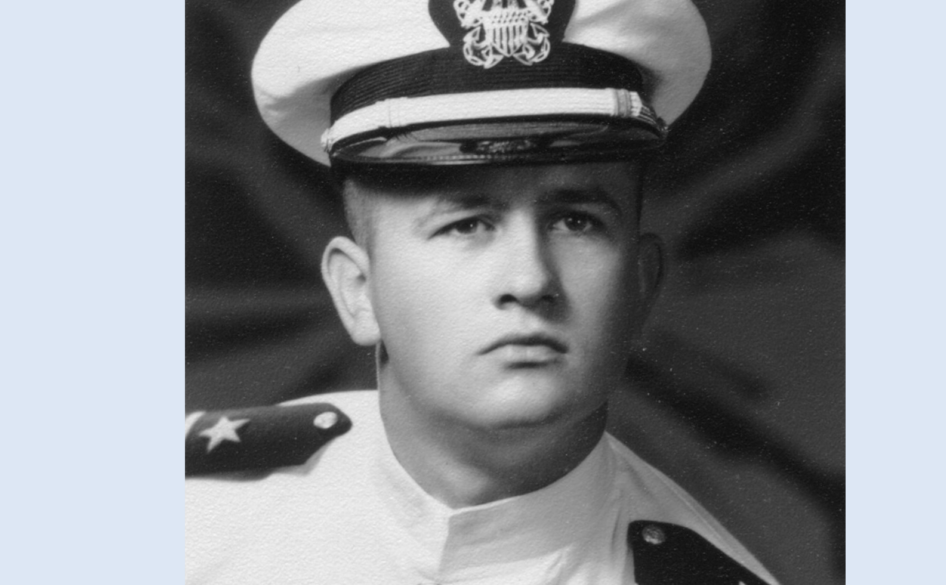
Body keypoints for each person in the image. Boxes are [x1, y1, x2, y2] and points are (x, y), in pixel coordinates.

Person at [186, 0, 781, 583]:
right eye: (465, 223)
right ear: (358, 291)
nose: (529, 281)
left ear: (640, 285)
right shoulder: (193, 515)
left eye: (576, 221)